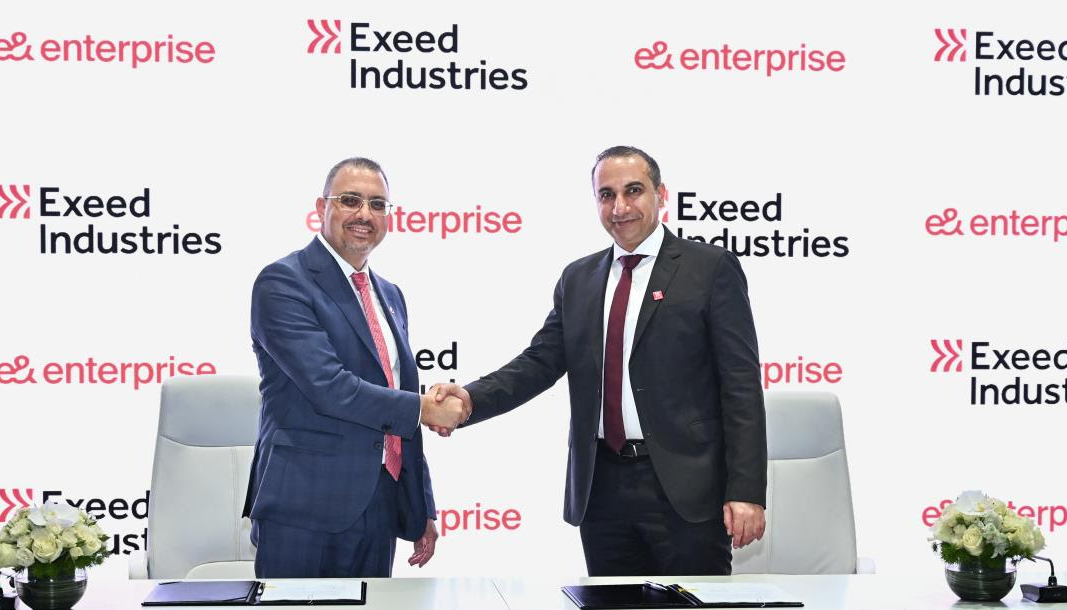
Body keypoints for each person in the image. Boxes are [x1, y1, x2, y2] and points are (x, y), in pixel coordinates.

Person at [431, 146, 766, 576]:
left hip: (687, 491)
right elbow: (539, 362)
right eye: (607, 195)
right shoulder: (578, 278)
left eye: (633, 191)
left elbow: (741, 385)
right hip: (602, 491)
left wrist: (746, 489)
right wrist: (470, 399)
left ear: (662, 194)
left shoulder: (711, 268)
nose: (620, 207)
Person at [243, 157, 465, 577]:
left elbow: (397, 397)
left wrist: (420, 505)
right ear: (321, 207)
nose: (365, 214)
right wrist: (423, 408)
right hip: (304, 509)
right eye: (350, 200)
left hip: (379, 506)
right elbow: (328, 386)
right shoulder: (283, 282)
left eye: (378, 204)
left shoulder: (390, 294)